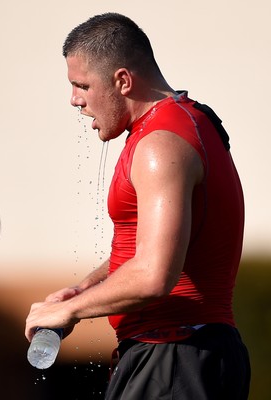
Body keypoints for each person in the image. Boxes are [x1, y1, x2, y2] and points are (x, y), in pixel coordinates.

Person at [25, 12, 251, 399]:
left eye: (82, 85)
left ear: (123, 81)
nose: (74, 100)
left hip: (177, 354)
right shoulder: (180, 122)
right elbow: (145, 249)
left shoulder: (160, 144)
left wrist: (68, 312)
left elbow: (153, 275)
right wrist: (82, 290)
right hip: (179, 354)